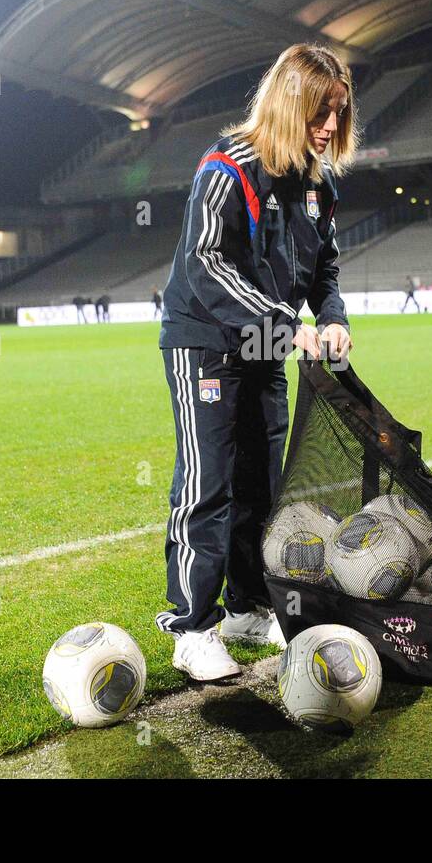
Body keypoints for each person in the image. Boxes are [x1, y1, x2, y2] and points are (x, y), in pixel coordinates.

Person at [157, 42, 356, 682]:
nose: (330, 127)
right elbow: (206, 265)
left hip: (269, 344)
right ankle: (192, 627)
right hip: (206, 343)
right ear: (290, 104)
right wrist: (284, 324)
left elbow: (323, 267)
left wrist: (332, 319)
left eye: (339, 114)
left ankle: (246, 605)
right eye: (321, 112)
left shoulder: (318, 185)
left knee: (262, 484)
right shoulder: (226, 169)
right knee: (208, 482)